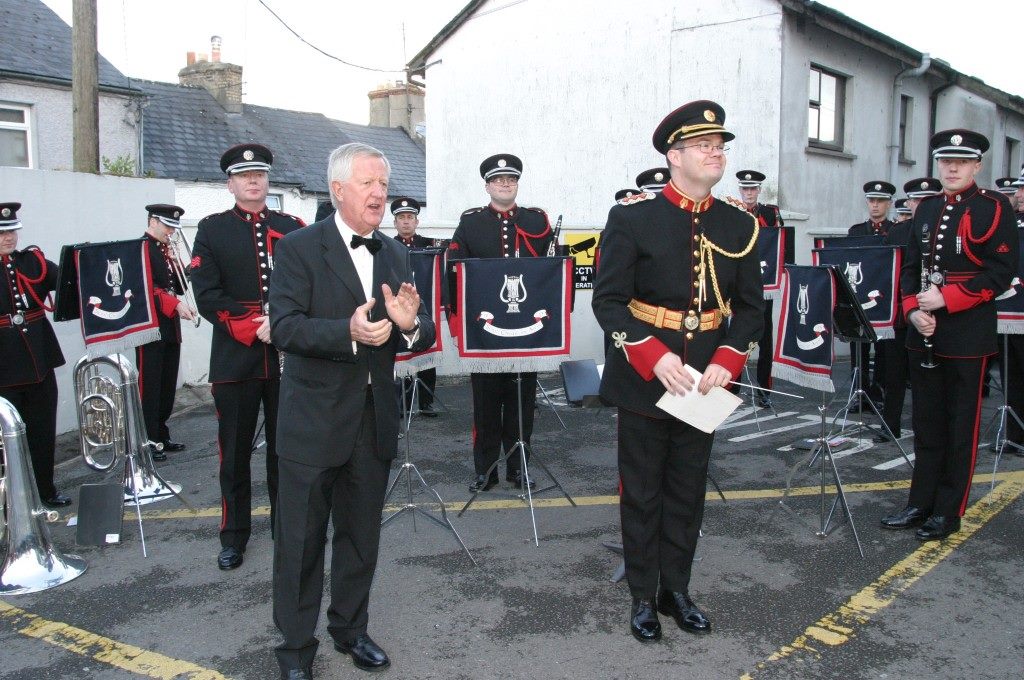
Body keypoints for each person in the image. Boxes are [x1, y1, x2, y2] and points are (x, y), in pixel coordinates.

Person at [593, 100, 763, 643]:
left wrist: (728, 359)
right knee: (642, 491)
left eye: (721, 146)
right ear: (675, 155)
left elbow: (752, 307)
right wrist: (651, 353)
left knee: (688, 489)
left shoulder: (738, 223)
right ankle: (643, 596)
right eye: (705, 146)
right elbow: (610, 301)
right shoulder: (632, 218)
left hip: (706, 381)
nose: (717, 153)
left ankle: (677, 591)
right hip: (648, 378)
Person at [269, 142, 435, 679]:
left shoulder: (393, 251)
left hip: (373, 418)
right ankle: (295, 650)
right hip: (313, 420)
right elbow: (286, 327)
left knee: (361, 536)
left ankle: (351, 630)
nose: (380, 194)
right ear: (338, 189)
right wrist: (347, 330)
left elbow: (420, 328)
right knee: (300, 542)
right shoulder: (297, 248)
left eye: (383, 184)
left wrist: (410, 324)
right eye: (368, 183)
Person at [880, 128, 1017, 540]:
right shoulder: (925, 209)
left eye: (961, 161)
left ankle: (948, 510)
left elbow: (1000, 273)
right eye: (945, 161)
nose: (952, 168)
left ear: (977, 165)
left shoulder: (994, 208)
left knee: (960, 427)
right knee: (926, 423)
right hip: (923, 330)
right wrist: (911, 310)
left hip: (966, 332)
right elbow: (908, 269)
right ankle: (919, 503)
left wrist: (949, 300)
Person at [191, 143, 305, 571]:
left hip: (286, 356)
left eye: (258, 175)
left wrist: (283, 322)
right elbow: (206, 293)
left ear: (267, 180)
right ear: (231, 184)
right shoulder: (212, 228)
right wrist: (250, 326)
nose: (253, 181)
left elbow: (308, 282)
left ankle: (286, 528)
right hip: (235, 358)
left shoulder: (292, 226)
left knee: (286, 450)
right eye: (243, 176)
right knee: (234, 454)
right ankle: (233, 535)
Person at [448, 153, 553, 493]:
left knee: (522, 406)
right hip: (485, 333)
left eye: (511, 180)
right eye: (498, 181)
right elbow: (455, 273)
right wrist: (457, 322)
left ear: (517, 184)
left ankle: (518, 469)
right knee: (486, 406)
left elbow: (551, 272)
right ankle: (486, 471)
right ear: (487, 185)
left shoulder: (537, 221)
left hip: (527, 333)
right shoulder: (472, 222)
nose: (505, 185)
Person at [0, 202, 69, 508]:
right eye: (2, 233)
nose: (9, 238)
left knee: (42, 431)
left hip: (39, 360)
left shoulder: (32, 262)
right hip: (4, 367)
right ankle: (9, 501)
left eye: (12, 231)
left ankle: (45, 490)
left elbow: (67, 281)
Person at [135, 204, 196, 461]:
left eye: (174, 227)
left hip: (169, 327)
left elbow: (179, 287)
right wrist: (175, 305)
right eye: (168, 226)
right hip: (150, 327)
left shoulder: (164, 250)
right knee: (149, 386)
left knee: (166, 384)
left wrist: (182, 262)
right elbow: (147, 288)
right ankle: (147, 440)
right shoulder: (140, 249)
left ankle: (161, 433)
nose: (171, 231)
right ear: (153, 222)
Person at [736, 169, 784, 408]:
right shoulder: (732, 211)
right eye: (745, 189)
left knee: (765, 339)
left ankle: (764, 390)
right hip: (737, 286)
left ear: (759, 190)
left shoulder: (769, 213)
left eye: (753, 188)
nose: (749, 193)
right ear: (739, 190)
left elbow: (779, 242)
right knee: (735, 336)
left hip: (765, 284)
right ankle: (733, 387)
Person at [847, 180, 896, 408]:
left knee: (885, 350)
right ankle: (860, 394)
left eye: (881, 201)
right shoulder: (856, 232)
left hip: (885, 299)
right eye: (872, 201)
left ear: (889, 203)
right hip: (860, 299)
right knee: (860, 349)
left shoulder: (896, 231)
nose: (875, 206)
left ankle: (881, 391)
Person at [391, 196, 437, 417]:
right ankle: (403, 403)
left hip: (426, 306)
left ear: (417, 222)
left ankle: (426, 403)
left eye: (410, 217)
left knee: (427, 352)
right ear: (395, 222)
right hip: (401, 310)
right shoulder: (387, 247)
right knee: (403, 354)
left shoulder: (430, 246)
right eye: (401, 218)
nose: (406, 222)